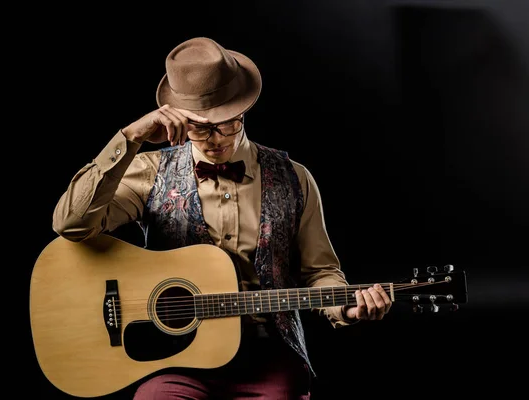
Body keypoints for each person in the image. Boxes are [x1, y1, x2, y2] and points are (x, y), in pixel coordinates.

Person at [52, 37, 392, 399]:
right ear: (178, 118)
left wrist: (346, 306)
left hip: (268, 356)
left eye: (226, 123)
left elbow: (320, 273)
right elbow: (70, 225)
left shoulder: (295, 178)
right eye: (200, 126)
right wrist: (129, 138)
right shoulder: (148, 172)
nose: (214, 139)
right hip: (176, 358)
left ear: (242, 112)